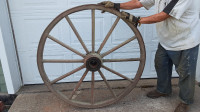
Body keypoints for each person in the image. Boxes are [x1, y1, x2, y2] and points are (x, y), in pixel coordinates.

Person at [100, 0, 200, 112]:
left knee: (185, 73)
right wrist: (117, 5)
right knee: (161, 65)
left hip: (184, 41)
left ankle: (185, 101)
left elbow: (164, 15)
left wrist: (138, 20)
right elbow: (139, 2)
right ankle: (163, 90)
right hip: (166, 39)